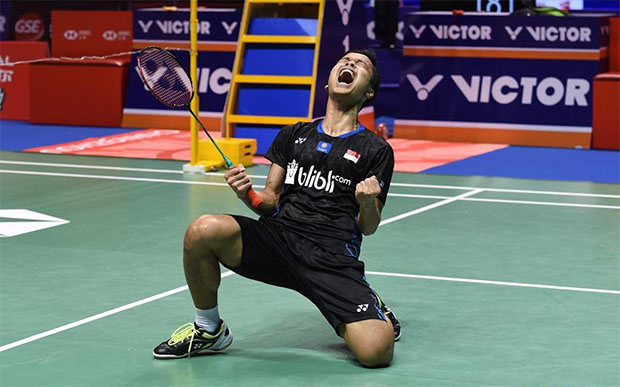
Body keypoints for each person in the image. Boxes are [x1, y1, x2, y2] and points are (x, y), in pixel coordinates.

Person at [153, 49, 400, 368]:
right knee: (202, 230)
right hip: (279, 241)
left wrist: (367, 203)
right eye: (344, 60)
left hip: (331, 258)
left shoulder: (376, 149)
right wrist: (247, 195)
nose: (350, 63)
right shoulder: (294, 135)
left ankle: (366, 299)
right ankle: (209, 329)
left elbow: (368, 226)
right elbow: (268, 203)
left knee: (376, 353)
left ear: (369, 92)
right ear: (328, 83)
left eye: (361, 65)